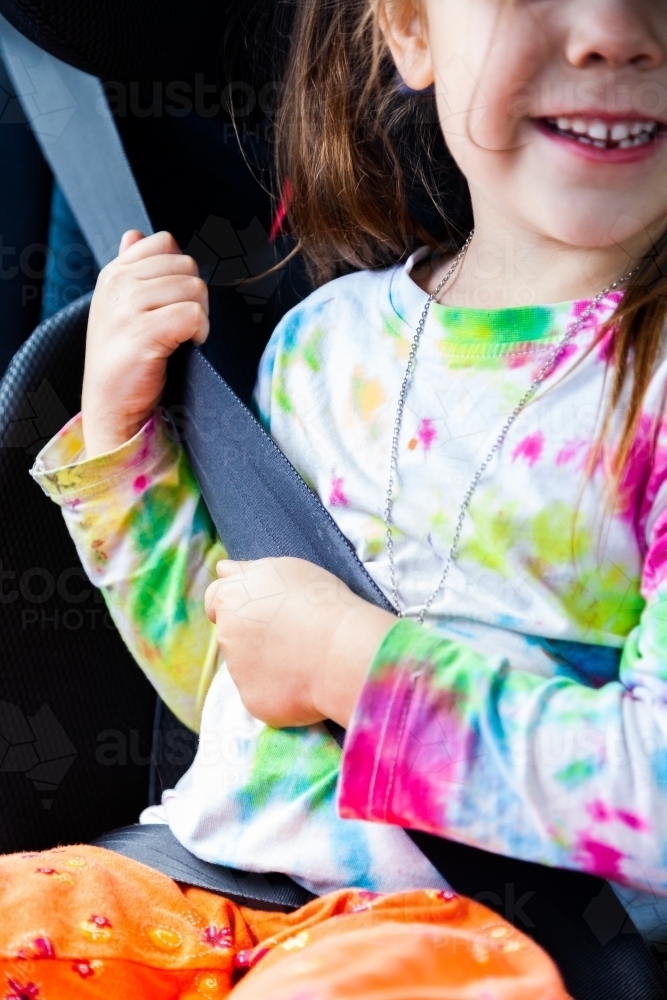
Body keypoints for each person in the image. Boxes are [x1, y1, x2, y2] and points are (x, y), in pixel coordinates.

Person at [6, 0, 667, 992]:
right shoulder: (326, 349)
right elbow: (240, 689)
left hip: (471, 938)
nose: (611, 33)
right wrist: (119, 456)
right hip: (201, 887)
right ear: (409, 30)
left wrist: (356, 664)